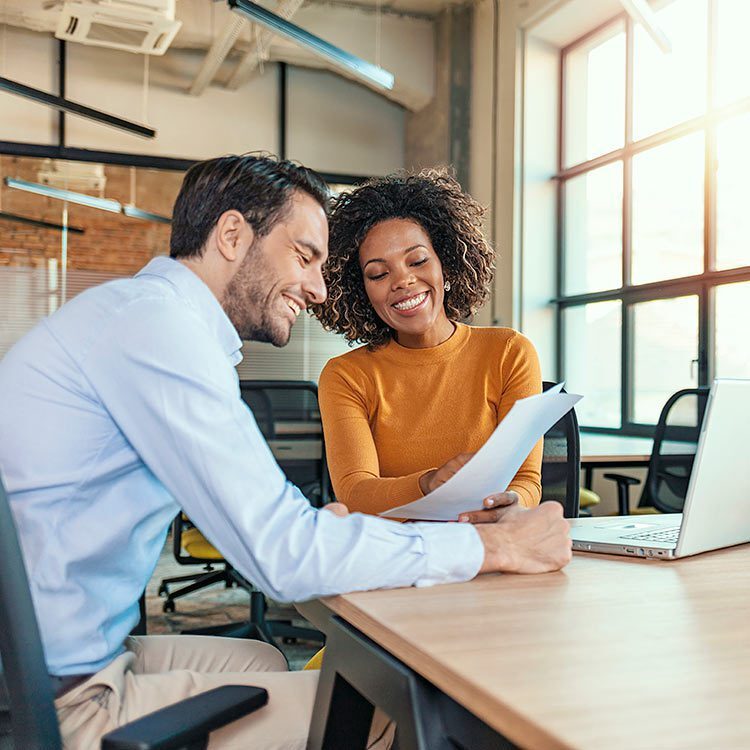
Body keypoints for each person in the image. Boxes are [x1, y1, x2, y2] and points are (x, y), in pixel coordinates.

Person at [0, 155, 571, 750]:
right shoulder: (158, 333)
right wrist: (493, 544)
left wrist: (309, 531)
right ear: (231, 236)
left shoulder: (144, 318)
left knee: (269, 665)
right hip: (66, 698)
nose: (320, 288)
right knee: (382, 704)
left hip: (56, 656)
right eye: (304, 256)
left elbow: (274, 533)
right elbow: (280, 556)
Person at [314, 169, 543, 520]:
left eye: (417, 261)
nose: (403, 280)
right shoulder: (346, 375)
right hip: (395, 554)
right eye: (378, 273)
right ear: (362, 291)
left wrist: (513, 503)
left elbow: (526, 479)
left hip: (488, 544)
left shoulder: (509, 352)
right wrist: (428, 484)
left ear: (446, 266)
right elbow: (355, 492)